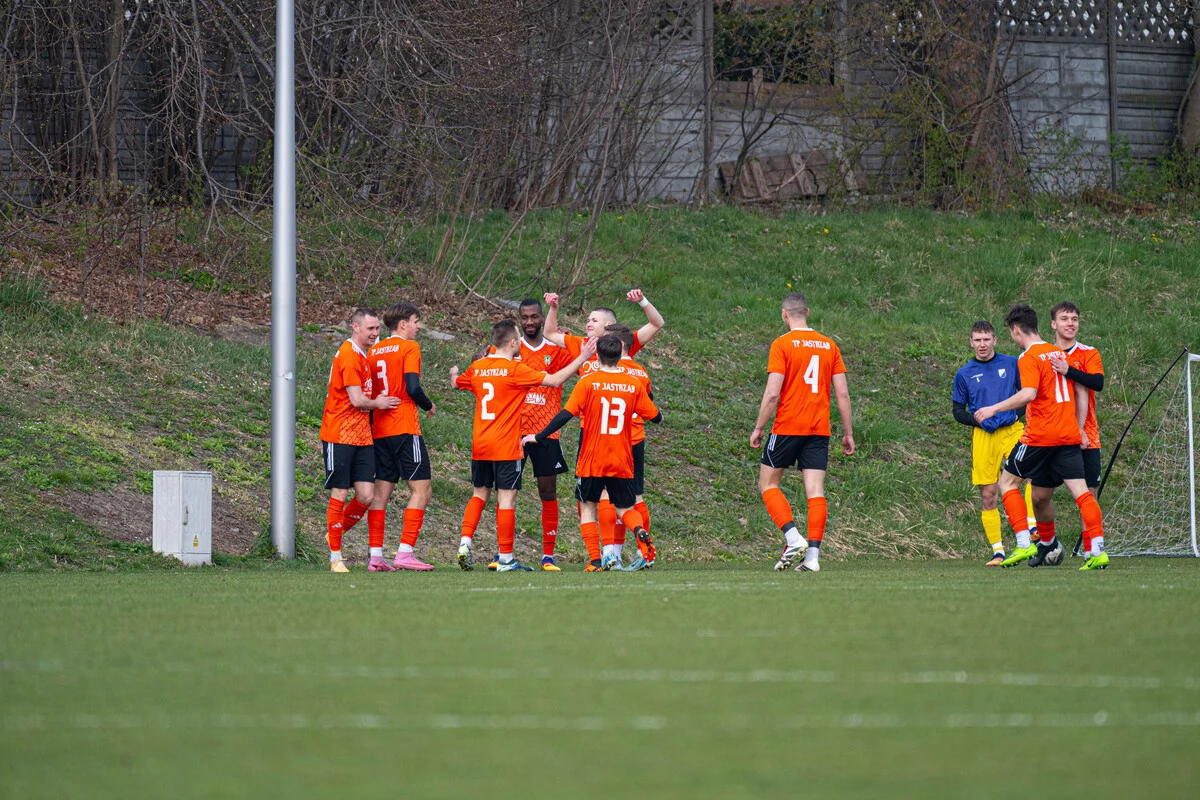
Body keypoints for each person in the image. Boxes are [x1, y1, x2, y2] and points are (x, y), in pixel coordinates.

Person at [451, 320, 594, 572]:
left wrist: (453, 372)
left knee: (479, 494)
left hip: (480, 443)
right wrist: (582, 356)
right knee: (507, 498)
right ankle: (506, 558)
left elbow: (456, 383)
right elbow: (556, 379)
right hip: (506, 443)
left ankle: (464, 543)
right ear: (514, 343)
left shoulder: (478, 367)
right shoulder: (515, 370)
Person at [974, 305, 1108, 570]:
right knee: (1081, 494)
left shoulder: (1028, 357)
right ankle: (1098, 551)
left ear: (1016, 331)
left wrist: (994, 408)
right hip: (1068, 435)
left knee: (1007, 482)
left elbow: (1028, 394)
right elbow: (1080, 392)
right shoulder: (1058, 353)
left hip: (1040, 435)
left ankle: (1024, 544)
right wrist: (1078, 428)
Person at [522, 334, 663, 572]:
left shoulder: (588, 381)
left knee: (588, 506)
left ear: (596, 356)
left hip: (592, 458)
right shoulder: (633, 384)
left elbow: (565, 415)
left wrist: (538, 436)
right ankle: (639, 532)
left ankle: (595, 561)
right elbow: (656, 417)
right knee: (626, 508)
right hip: (621, 458)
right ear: (620, 354)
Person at [751, 293, 854, 573]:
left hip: (787, 426)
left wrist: (759, 427)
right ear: (807, 312)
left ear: (784, 315)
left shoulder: (782, 344)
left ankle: (792, 537)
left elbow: (773, 393)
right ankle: (813, 558)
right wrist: (848, 432)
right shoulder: (828, 345)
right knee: (815, 492)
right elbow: (842, 393)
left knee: (768, 484)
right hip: (819, 429)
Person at [318, 308, 400, 573]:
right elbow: (357, 400)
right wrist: (380, 403)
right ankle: (335, 559)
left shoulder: (364, 356)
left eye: (377, 329)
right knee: (340, 493)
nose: (375, 333)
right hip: (339, 433)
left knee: (366, 496)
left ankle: (335, 533)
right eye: (370, 329)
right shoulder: (349, 355)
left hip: (362, 435)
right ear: (355, 327)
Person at [952, 320, 1040, 566]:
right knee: (988, 495)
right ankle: (998, 551)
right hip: (984, 437)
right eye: (977, 340)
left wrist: (1014, 414)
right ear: (971, 342)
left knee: (1032, 473)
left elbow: (1029, 395)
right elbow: (957, 411)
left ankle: (1032, 527)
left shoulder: (1012, 364)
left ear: (994, 340)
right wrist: (979, 421)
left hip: (1012, 430)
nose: (982, 344)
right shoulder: (964, 373)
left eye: (986, 339)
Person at [502, 298, 577, 571]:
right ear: (519, 319)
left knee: (548, 491)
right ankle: (504, 553)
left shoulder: (557, 348)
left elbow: (582, 364)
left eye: (534, 317)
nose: (530, 322)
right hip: (513, 431)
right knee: (507, 491)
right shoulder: (511, 349)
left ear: (541, 317)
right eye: (525, 317)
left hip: (547, 433)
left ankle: (548, 555)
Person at [366, 303, 437, 572]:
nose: (418, 326)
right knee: (421, 490)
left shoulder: (373, 351)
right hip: (405, 428)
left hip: (379, 430)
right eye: (416, 321)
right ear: (403, 324)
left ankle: (375, 557)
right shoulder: (409, 348)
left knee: (380, 494)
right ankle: (405, 553)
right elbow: (412, 387)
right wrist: (428, 405)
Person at [602, 323, 656, 570]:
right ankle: (641, 551)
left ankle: (611, 553)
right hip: (637, 438)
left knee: (607, 496)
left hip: (612, 441)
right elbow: (650, 405)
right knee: (635, 496)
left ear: (617, 345)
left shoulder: (608, 370)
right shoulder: (641, 372)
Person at [1049, 301, 1105, 501]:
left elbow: (1097, 382)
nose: (1070, 323)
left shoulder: (1088, 352)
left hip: (1086, 435)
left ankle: (1090, 534)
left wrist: (1069, 371)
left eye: (1074, 319)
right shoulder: (1045, 354)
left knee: (1089, 494)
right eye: (1064, 319)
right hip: (1052, 433)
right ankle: (1043, 533)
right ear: (1054, 324)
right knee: (1039, 492)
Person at [541, 288, 664, 375]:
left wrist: (642, 301)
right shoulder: (583, 344)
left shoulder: (624, 341)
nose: (589, 324)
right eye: (588, 320)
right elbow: (549, 333)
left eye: (594, 320)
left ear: (609, 325)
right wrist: (554, 308)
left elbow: (656, 324)